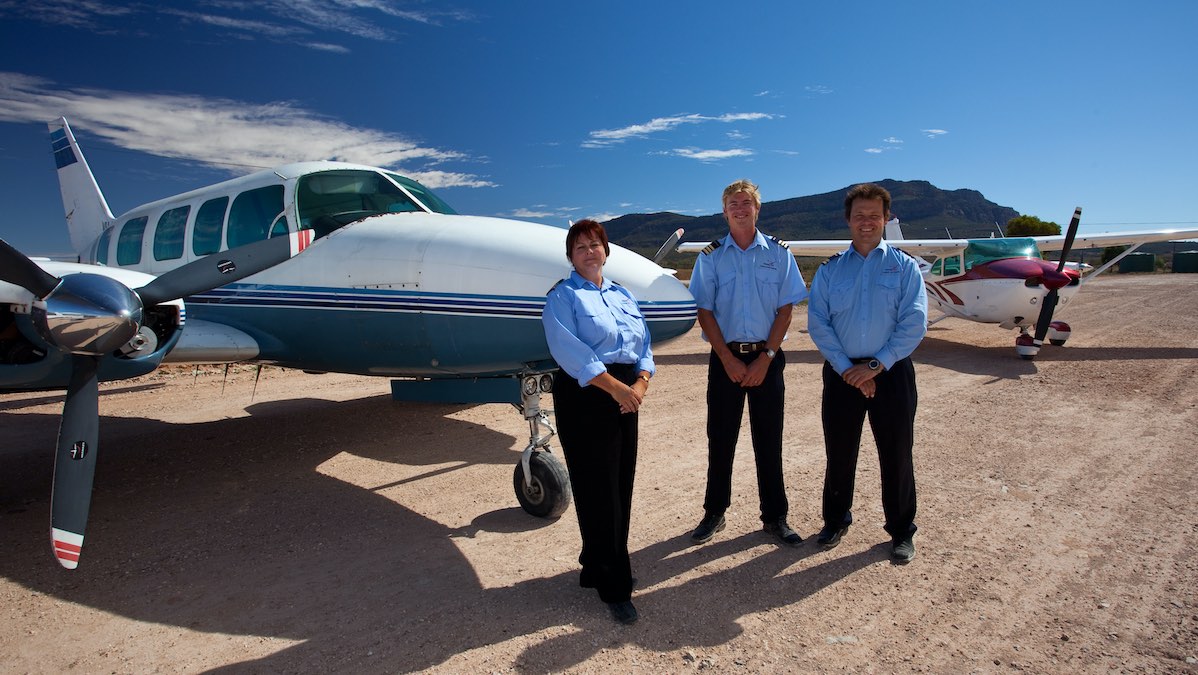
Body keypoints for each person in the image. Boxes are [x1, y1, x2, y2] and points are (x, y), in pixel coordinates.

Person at [806, 183, 928, 563]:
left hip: (890, 373)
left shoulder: (905, 267)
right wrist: (848, 369)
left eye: (874, 215)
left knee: (896, 453)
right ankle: (835, 521)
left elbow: (914, 322)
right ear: (848, 220)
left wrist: (875, 365)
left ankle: (901, 531)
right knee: (839, 452)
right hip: (843, 375)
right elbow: (819, 323)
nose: (866, 222)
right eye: (859, 215)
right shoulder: (830, 270)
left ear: (886, 219)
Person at [541, 219, 654, 625]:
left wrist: (639, 383)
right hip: (588, 394)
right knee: (598, 489)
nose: (590, 251)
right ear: (571, 256)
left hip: (626, 393)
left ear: (606, 250)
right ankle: (614, 585)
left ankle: (595, 564)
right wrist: (617, 390)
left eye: (595, 244)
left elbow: (643, 343)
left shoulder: (622, 294)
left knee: (620, 482)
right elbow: (570, 352)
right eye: (580, 246)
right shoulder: (562, 296)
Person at [688, 179, 808, 547]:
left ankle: (775, 518)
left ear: (757, 209)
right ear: (724, 212)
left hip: (767, 357)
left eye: (746, 203)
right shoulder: (710, 257)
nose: (740, 209)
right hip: (725, 358)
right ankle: (714, 512)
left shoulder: (778, 253)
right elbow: (703, 309)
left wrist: (766, 358)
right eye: (732, 204)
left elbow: (786, 309)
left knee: (768, 440)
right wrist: (726, 358)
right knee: (720, 439)